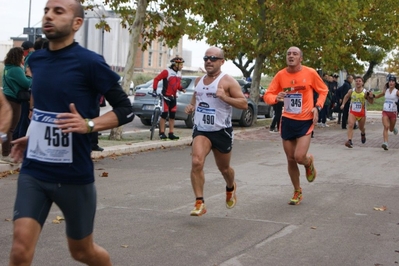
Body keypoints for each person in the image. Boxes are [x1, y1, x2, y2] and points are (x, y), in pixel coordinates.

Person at [8, 0, 134, 265]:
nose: (48, 16)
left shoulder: (90, 62)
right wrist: (34, 136)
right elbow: (47, 109)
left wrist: (88, 125)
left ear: (77, 23)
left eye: (58, 11)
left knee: (82, 252)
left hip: (74, 176)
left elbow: (125, 109)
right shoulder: (37, 59)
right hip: (35, 169)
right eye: (46, 10)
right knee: (20, 250)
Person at [184, 46, 248, 216]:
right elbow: (196, 98)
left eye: (213, 58)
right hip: (202, 130)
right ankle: (200, 202)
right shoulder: (198, 81)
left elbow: (244, 104)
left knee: (224, 169)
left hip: (221, 131)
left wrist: (224, 97)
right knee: (197, 162)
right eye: (206, 58)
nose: (209, 61)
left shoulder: (228, 81)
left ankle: (230, 187)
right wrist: (191, 106)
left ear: (222, 61)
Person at [264, 46, 328, 205]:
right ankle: (297, 190)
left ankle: (308, 162)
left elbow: (323, 90)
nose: (291, 56)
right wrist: (275, 97)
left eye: (295, 54)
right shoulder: (280, 75)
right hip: (287, 120)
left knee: (299, 157)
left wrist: (317, 107)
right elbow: (267, 95)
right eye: (288, 54)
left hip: (305, 120)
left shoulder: (310, 73)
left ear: (301, 58)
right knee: (291, 159)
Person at [1, 47, 32, 163]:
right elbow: (26, 83)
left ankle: (5, 151)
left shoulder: (7, 68)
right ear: (18, 56)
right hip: (14, 101)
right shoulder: (16, 69)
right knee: (11, 128)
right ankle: (6, 153)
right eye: (22, 56)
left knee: (7, 128)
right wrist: (29, 75)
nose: (23, 57)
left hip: (7, 98)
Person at [152, 56, 186, 140]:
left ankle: (171, 133)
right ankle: (162, 133)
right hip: (166, 97)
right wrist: (154, 89)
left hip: (173, 97)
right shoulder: (167, 71)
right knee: (164, 114)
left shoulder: (179, 73)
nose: (182, 66)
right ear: (175, 64)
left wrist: (181, 88)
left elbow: (176, 85)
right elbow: (156, 79)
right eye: (180, 64)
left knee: (172, 116)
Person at [340, 76, 374, 148]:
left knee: (361, 127)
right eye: (356, 81)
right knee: (350, 125)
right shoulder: (351, 91)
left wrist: (370, 97)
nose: (358, 82)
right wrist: (343, 104)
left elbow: (371, 102)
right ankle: (349, 140)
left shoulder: (365, 92)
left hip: (362, 113)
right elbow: (346, 97)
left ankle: (363, 133)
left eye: (359, 81)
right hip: (353, 111)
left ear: (362, 83)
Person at [12, 41, 35, 141]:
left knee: (19, 121)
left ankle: (14, 141)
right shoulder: (32, 57)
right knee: (23, 121)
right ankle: (17, 142)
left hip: (19, 96)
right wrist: (29, 77)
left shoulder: (10, 68)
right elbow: (27, 82)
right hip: (27, 95)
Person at [372, 75, 399, 150]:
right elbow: (377, 96)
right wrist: (372, 95)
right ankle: (385, 143)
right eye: (390, 81)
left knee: (390, 128)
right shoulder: (386, 91)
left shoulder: (397, 92)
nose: (391, 83)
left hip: (393, 112)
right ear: (388, 82)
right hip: (385, 112)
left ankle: (393, 128)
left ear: (395, 83)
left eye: (393, 81)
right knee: (386, 127)